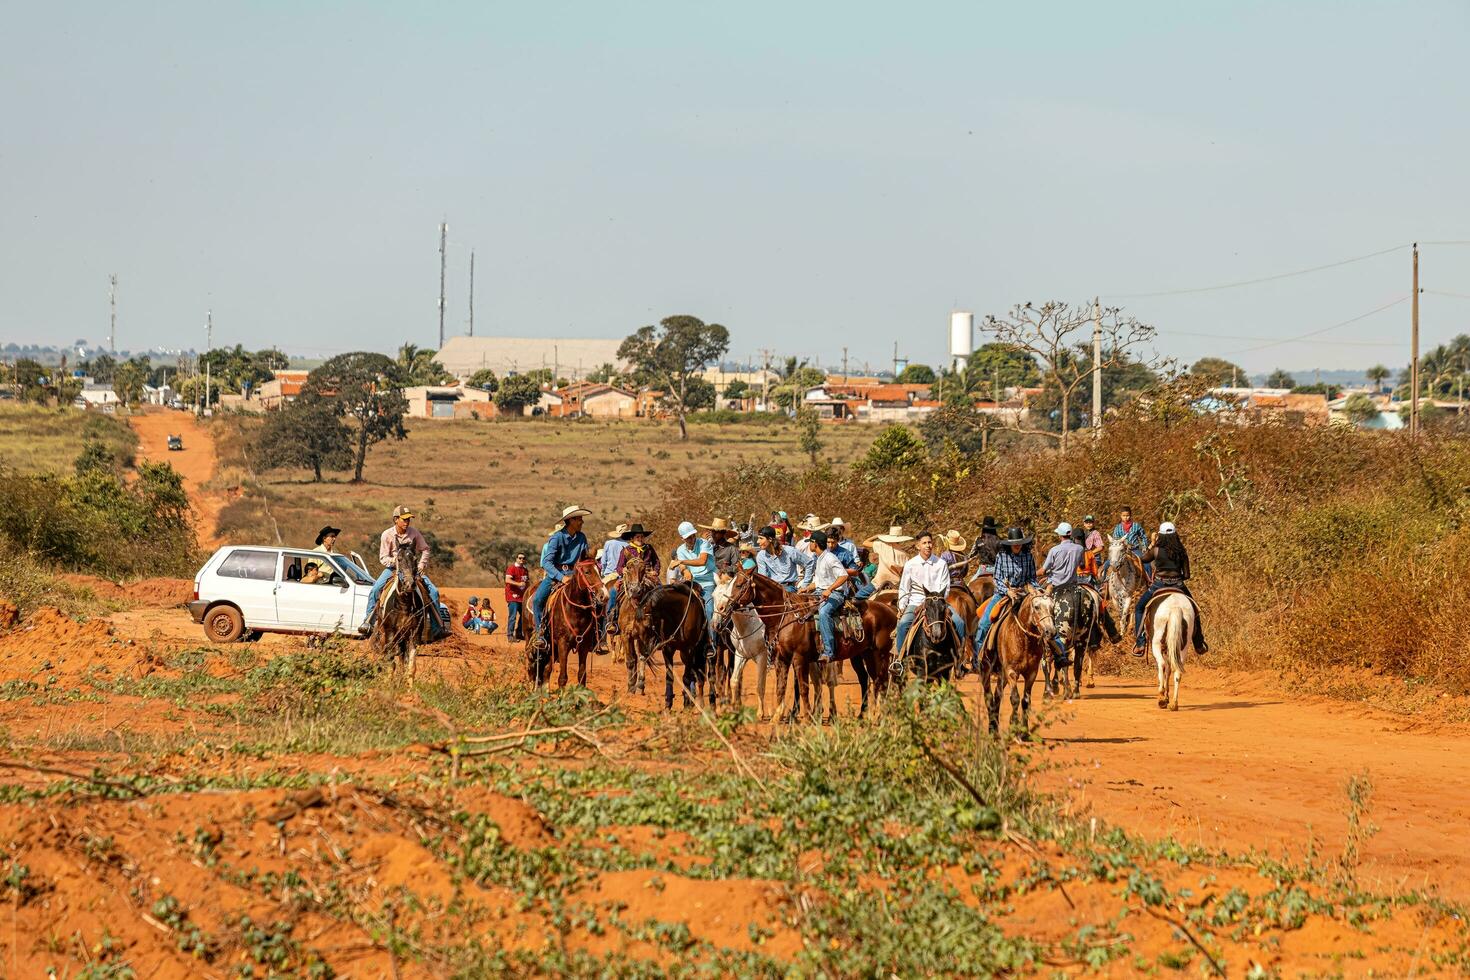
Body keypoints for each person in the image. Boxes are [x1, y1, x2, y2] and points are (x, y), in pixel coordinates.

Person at [361, 505, 444, 633]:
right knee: (376, 589)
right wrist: (395, 561)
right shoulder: (386, 535)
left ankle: (436, 627)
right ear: (395, 519)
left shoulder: (414, 533)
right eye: (404, 519)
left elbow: (425, 549)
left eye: (408, 519)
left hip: (412, 569)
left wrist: (421, 564)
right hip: (393, 569)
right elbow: (383, 558)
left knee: (434, 592)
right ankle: (368, 622)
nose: (407, 522)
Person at [1133, 522, 1208, 657]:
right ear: (1174, 534)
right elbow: (1187, 575)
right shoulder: (1181, 550)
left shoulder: (1156, 549)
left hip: (1158, 584)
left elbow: (1143, 559)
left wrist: (1151, 544)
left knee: (1139, 608)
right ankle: (1199, 643)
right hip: (1178, 585)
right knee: (1195, 611)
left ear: (1160, 535)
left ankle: (1140, 643)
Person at [892, 530, 967, 660]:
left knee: (959, 623)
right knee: (903, 623)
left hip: (938, 603)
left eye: (930, 542)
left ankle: (959, 659)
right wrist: (902, 607)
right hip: (915, 602)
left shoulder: (941, 564)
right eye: (924, 543)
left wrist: (933, 601)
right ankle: (900, 660)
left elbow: (945, 587)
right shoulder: (910, 564)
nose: (928, 545)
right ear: (918, 546)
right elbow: (904, 587)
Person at [972, 525, 1038, 669]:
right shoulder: (1002, 556)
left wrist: (1034, 589)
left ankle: (1056, 654)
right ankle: (978, 660)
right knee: (983, 625)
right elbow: (997, 578)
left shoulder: (1028, 556)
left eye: (1019, 543)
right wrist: (1007, 591)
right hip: (1002, 594)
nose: (1017, 546)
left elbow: (1032, 577)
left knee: (1044, 619)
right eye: (1014, 544)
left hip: (1024, 594)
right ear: (1010, 544)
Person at [532, 505, 592, 650]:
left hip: (576, 575)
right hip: (556, 575)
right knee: (537, 600)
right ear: (571, 521)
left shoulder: (582, 537)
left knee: (597, 599)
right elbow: (546, 562)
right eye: (579, 519)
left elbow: (585, 559)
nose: (582, 522)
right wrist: (561, 577)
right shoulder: (557, 538)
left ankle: (595, 635)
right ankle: (540, 633)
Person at [809, 530, 859, 661]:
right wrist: (805, 589)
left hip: (836, 594)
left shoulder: (830, 558)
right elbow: (820, 582)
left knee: (824, 612)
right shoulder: (819, 558)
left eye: (810, 542)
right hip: (820, 591)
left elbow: (844, 575)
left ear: (814, 543)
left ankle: (829, 651)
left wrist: (830, 589)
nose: (809, 545)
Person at [607, 524, 658, 637]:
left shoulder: (649, 548)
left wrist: (655, 571)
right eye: (637, 537)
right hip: (630, 577)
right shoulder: (626, 550)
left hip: (648, 575)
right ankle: (613, 620)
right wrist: (623, 570)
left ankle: (661, 621)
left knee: (660, 590)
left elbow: (656, 562)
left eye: (641, 537)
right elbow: (619, 566)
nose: (640, 539)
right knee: (614, 592)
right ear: (632, 538)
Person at [672, 520, 719, 638]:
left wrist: (681, 561)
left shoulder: (704, 543)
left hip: (708, 580)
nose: (692, 539)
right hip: (692, 582)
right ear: (682, 538)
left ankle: (712, 641)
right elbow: (682, 567)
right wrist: (685, 570)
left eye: (693, 535)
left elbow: (702, 561)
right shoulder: (680, 549)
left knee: (709, 608)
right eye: (688, 537)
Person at [755, 525, 803, 591]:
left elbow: (809, 563)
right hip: (772, 589)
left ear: (770, 539)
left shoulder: (789, 551)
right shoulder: (761, 555)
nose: (758, 541)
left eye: (761, 538)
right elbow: (763, 578)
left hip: (789, 588)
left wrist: (805, 584)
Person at [1040, 523, 1083, 592]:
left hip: (1055, 585)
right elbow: (1081, 566)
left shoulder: (1054, 550)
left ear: (1059, 535)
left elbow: (1042, 571)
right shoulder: (1080, 549)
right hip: (1072, 584)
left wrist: (1032, 574)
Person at [504, 553, 529, 641]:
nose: (522, 560)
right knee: (513, 616)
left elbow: (527, 582)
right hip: (512, 596)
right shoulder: (512, 568)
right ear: (516, 559)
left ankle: (518, 633)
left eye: (523, 558)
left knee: (524, 616)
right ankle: (510, 635)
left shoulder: (525, 570)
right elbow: (507, 580)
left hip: (522, 597)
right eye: (520, 558)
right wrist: (518, 584)